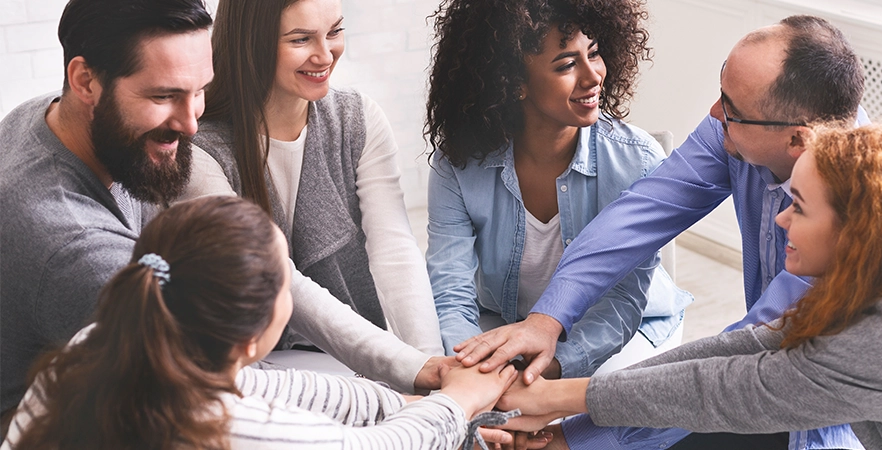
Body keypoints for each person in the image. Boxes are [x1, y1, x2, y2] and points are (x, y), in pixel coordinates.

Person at [0, 0, 449, 430]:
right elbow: (221, 382)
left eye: (198, 91)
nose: (192, 125)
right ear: (84, 81)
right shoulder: (71, 244)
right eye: (164, 95)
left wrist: (428, 374)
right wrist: (420, 406)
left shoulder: (67, 118)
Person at [454, 15, 869, 449]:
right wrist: (547, 319)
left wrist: (567, 428)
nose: (713, 114)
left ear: (797, 141)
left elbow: (736, 365)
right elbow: (640, 213)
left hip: (802, 419)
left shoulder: (854, 224)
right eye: (721, 92)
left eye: (730, 110)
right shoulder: (747, 123)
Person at [496, 124, 882, 450]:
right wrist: (560, 403)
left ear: (857, 231)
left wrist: (560, 402)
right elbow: (744, 346)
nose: (781, 218)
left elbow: (730, 391)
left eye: (798, 206)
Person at [1, 196, 517, 449]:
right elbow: (376, 448)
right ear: (253, 336)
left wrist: (420, 401)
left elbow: (282, 388)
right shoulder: (228, 430)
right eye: (285, 280)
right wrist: (459, 403)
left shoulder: (100, 345)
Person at [424, 0, 692, 381]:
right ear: (513, 82)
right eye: (567, 64)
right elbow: (451, 294)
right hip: (505, 320)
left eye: (594, 53)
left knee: (581, 420)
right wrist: (476, 371)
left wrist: (547, 369)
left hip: (624, 327)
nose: (593, 76)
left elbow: (621, 302)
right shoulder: (458, 165)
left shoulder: (636, 160)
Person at [178, 0, 443, 355]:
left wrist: (431, 362)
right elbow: (280, 281)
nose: (325, 55)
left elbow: (394, 250)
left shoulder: (357, 119)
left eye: (334, 32)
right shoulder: (201, 152)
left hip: (364, 357)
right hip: (260, 366)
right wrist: (411, 368)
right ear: (251, 42)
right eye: (301, 40)